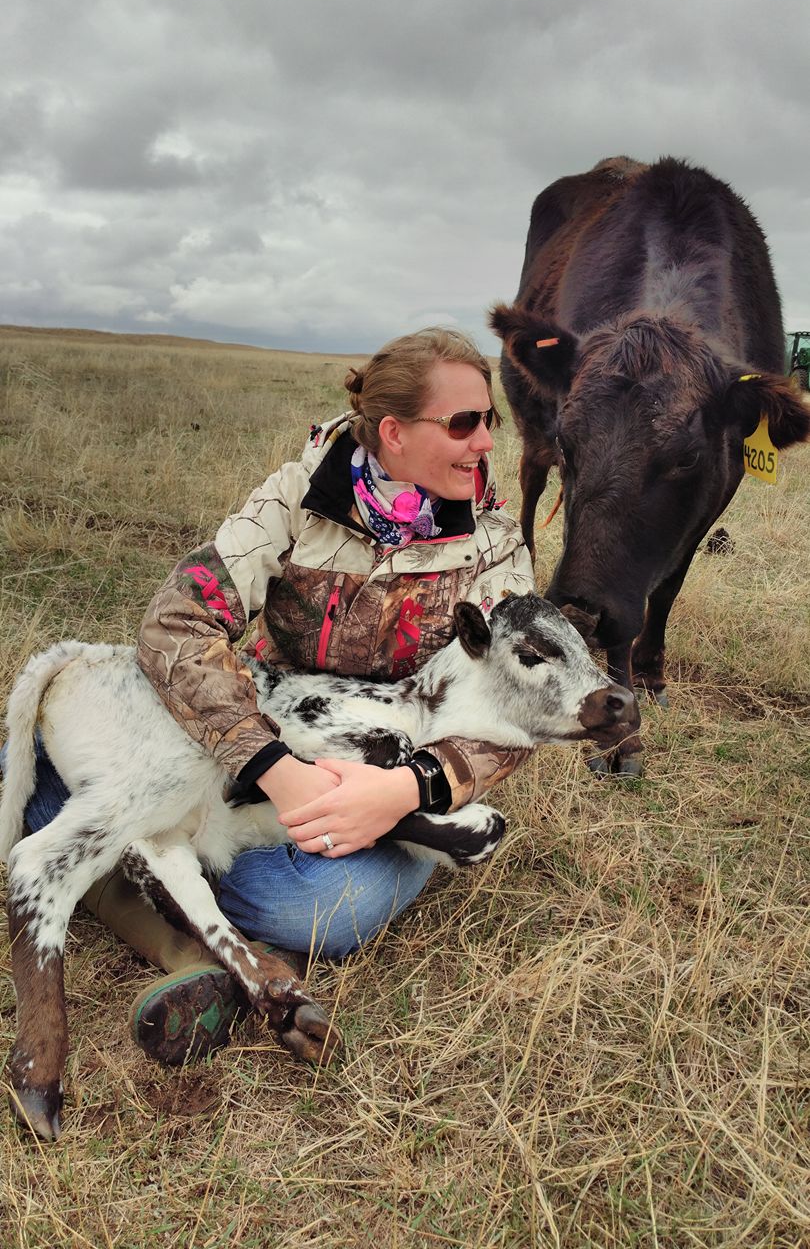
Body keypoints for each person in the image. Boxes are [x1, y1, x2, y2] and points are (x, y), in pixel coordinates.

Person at [21, 327, 536, 1065]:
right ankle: (169, 902)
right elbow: (176, 622)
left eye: (492, 421)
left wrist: (408, 788)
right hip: (254, 740)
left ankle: (139, 883)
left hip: (376, 785)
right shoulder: (297, 499)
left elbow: (517, 705)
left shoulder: (494, 545)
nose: (486, 441)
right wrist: (269, 761)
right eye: (463, 423)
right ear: (393, 431)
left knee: (321, 909)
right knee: (37, 741)